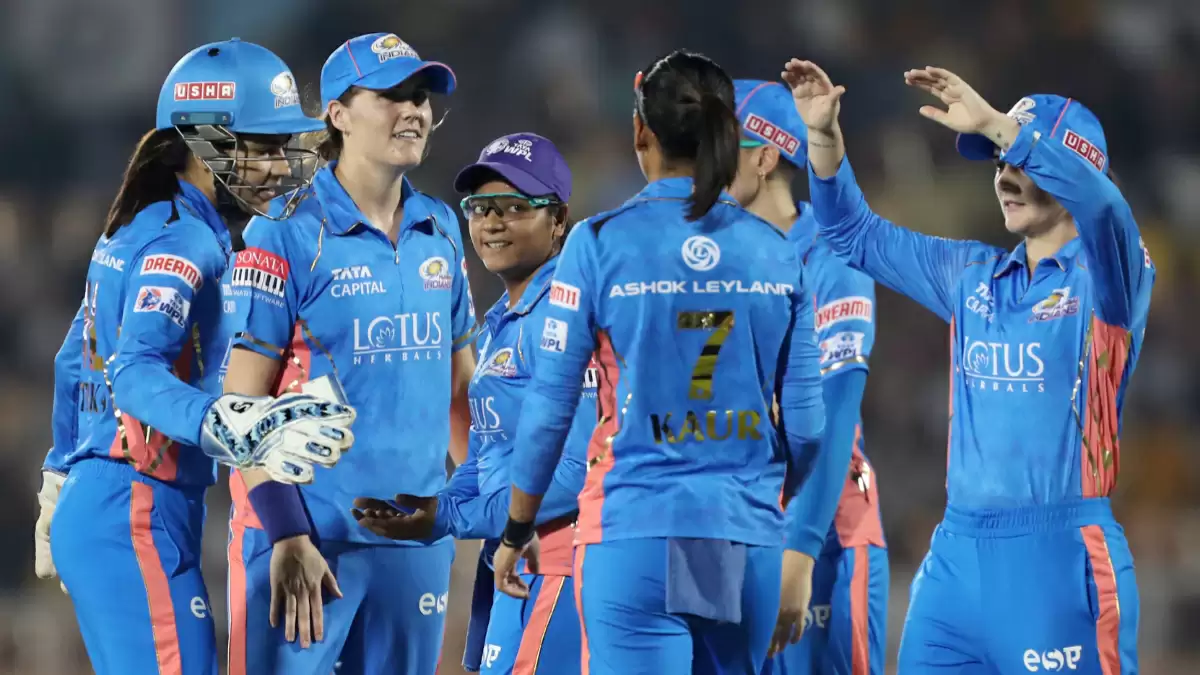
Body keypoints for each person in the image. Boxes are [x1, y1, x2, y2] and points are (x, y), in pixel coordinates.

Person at [784, 59, 1150, 673]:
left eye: (1021, 162)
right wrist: (823, 136)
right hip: (955, 565)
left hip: (1060, 562)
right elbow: (851, 233)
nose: (1004, 176)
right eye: (999, 163)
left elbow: (1106, 208)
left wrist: (1001, 126)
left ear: (1073, 168)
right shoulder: (971, 276)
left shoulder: (1109, 284)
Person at [490, 49, 832, 675]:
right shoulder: (779, 253)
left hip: (633, 529)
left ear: (640, 131)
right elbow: (808, 426)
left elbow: (550, 406)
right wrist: (764, 494)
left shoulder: (597, 243)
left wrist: (517, 527)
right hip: (744, 532)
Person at [34, 39, 358, 675]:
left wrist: (58, 474)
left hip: (116, 504)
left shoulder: (140, 225)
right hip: (132, 506)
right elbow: (133, 372)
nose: (280, 166)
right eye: (262, 146)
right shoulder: (185, 243)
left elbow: (76, 356)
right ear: (202, 143)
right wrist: (226, 420)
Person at [222, 32, 478, 675]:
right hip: (305, 543)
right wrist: (285, 531)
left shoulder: (442, 229)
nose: (413, 110)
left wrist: (493, 511)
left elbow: (459, 392)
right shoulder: (283, 231)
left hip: (414, 544)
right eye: (392, 95)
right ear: (337, 114)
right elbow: (239, 402)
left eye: (421, 97)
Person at [354, 132, 597, 675]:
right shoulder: (501, 324)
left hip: (562, 561)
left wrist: (451, 516)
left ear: (559, 219)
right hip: (516, 558)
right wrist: (436, 505)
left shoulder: (563, 317)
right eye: (480, 208)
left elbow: (577, 471)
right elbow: (488, 455)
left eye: (514, 207)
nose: (492, 222)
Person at [729, 79, 890, 675]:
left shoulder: (833, 256)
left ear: (765, 157)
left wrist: (799, 553)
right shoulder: (713, 257)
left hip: (826, 534)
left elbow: (837, 411)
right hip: (739, 525)